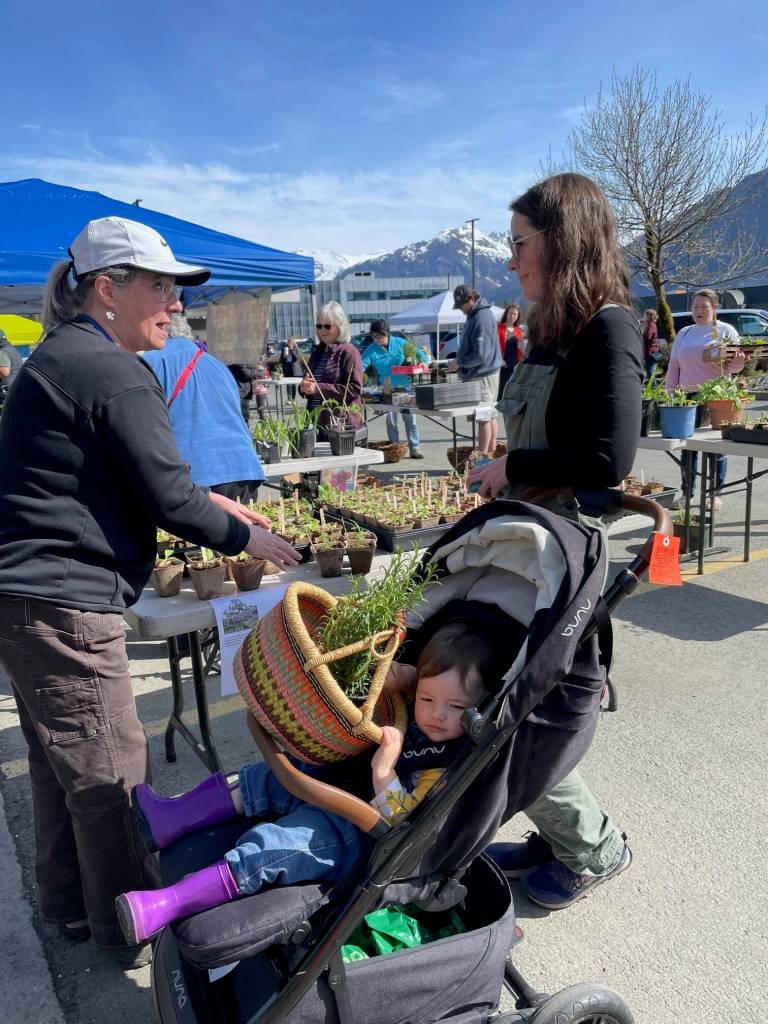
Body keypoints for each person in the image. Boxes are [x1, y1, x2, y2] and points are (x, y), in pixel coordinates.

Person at [0, 216, 300, 968]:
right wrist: (247, 537)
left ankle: (73, 911)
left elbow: (132, 479)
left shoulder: (67, 358)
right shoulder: (111, 369)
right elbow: (168, 498)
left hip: (31, 600)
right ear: (109, 288)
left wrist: (213, 504)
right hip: (65, 603)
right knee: (110, 772)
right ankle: (134, 932)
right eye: (161, 286)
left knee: (59, 762)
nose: (175, 304)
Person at [468, 173, 640, 910]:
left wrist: (513, 465)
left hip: (566, 553)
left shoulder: (610, 327)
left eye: (520, 245)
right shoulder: (549, 328)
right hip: (526, 538)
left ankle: (593, 847)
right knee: (502, 697)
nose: (512, 262)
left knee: (521, 705)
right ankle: (566, 834)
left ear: (563, 241)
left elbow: (610, 460)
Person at [115, 620, 498, 945]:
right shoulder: (418, 701)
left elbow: (404, 826)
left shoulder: (446, 765)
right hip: (342, 783)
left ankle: (166, 904)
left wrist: (384, 773)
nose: (436, 714)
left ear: (478, 710)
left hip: (361, 830)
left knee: (277, 846)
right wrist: (406, 674)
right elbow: (404, 679)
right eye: (428, 700)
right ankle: (171, 818)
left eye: (456, 707)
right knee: (270, 775)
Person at [142, 312, 266, 504]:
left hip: (199, 476)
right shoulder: (216, 364)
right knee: (244, 532)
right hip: (244, 468)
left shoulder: (151, 361)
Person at [665, 288, 745, 511]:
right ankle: (687, 492)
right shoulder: (685, 333)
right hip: (687, 396)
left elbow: (734, 367)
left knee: (715, 448)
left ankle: (715, 494)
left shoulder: (725, 331)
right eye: (695, 307)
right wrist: (670, 393)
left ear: (714, 308)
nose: (699, 311)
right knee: (687, 448)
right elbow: (674, 366)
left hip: (717, 395)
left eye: (704, 307)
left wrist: (737, 363)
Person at [361, 319, 427, 459]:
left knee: (410, 419)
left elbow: (420, 354)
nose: (376, 339)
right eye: (374, 336)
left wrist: (424, 363)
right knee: (390, 420)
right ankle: (395, 448)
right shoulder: (371, 350)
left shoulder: (400, 343)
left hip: (404, 385)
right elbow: (361, 366)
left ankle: (415, 448)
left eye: (379, 336)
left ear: (387, 334)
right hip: (386, 385)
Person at [449, 285, 502, 455]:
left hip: (483, 375)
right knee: (490, 415)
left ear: (471, 299)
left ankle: (481, 458)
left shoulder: (481, 317)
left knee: (484, 417)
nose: (461, 310)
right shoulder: (476, 315)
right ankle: (490, 453)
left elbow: (481, 355)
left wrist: (460, 362)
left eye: (462, 305)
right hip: (485, 374)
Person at [300, 301, 363, 439]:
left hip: (339, 425)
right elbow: (309, 381)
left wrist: (318, 388)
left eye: (327, 326)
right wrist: (303, 386)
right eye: (319, 326)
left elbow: (354, 388)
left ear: (340, 326)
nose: (322, 330)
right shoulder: (318, 351)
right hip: (315, 424)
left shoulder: (349, 352)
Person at [497, 303, 525, 399]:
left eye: (515, 314)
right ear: (506, 314)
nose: (512, 316)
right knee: (501, 391)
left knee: (512, 391)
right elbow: (494, 347)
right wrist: (500, 361)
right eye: (510, 313)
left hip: (515, 365)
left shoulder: (518, 331)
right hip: (501, 365)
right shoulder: (499, 328)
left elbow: (521, 350)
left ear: (518, 317)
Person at [641, 308, 660, 378]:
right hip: (651, 352)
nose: (643, 317)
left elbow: (648, 336)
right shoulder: (652, 324)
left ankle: (653, 387)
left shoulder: (651, 325)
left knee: (650, 371)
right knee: (649, 371)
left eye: (645, 315)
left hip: (650, 352)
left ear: (649, 316)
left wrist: (641, 334)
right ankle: (653, 386)